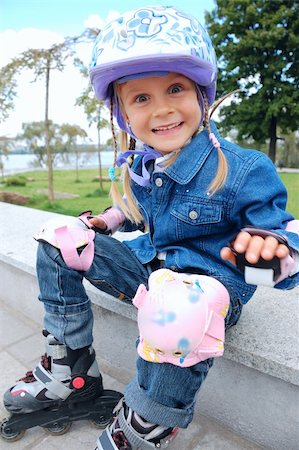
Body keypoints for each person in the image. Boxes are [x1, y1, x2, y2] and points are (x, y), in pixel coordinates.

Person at [3, 5, 299, 450]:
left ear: (201, 93)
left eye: (175, 88)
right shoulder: (146, 166)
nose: (161, 109)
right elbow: (134, 209)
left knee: (177, 307)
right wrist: (105, 221)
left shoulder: (243, 168)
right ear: (122, 113)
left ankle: (148, 422)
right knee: (60, 238)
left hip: (206, 296)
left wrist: (269, 253)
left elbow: (284, 247)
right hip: (150, 272)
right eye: (141, 98)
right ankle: (71, 370)